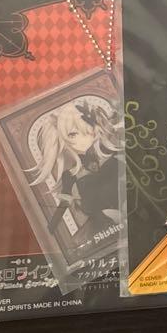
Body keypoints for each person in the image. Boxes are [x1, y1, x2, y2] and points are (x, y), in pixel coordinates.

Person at [29, 98, 122, 239]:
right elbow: (63, 205)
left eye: (87, 127)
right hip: (102, 227)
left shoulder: (110, 154)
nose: (83, 137)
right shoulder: (70, 175)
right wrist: (49, 231)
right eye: (72, 134)